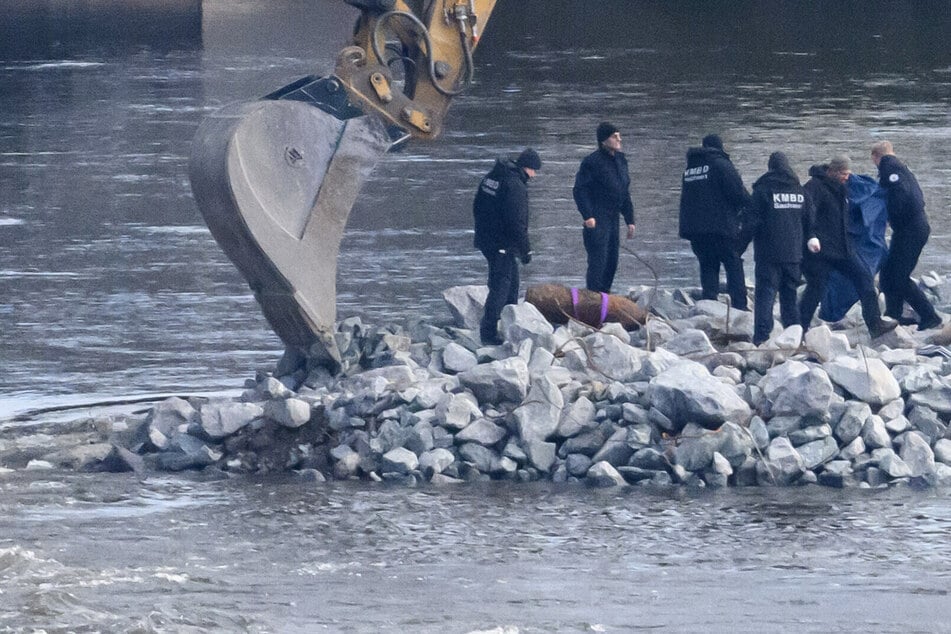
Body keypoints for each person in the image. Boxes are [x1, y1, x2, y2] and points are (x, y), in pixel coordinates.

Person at [799, 155, 897, 339]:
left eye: (848, 173)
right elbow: (805, 216)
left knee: (865, 280)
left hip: (843, 248)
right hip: (821, 250)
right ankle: (800, 328)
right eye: (844, 173)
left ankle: (875, 324)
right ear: (833, 171)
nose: (847, 177)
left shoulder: (841, 187)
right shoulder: (814, 187)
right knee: (815, 288)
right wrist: (811, 237)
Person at [741, 152, 816, 345]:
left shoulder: (763, 191)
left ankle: (761, 337)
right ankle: (795, 336)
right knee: (789, 296)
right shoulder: (800, 191)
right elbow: (810, 223)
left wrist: (738, 247)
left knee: (765, 296)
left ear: (770, 167)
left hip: (768, 254)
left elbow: (751, 224)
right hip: (793, 255)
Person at [472, 148, 541, 345]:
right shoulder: (515, 185)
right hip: (501, 243)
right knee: (501, 285)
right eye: (534, 171)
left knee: (511, 282)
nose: (534, 175)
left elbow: (477, 205)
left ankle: (510, 324)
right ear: (527, 168)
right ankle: (489, 331)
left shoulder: (494, 176)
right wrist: (526, 250)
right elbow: (516, 223)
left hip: (487, 239)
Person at [871, 140, 943, 330]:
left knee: (899, 277)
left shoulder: (890, 169)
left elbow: (901, 196)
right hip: (910, 229)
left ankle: (930, 316)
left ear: (875, 157)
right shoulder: (902, 168)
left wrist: (887, 216)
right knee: (887, 275)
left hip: (910, 230)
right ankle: (894, 315)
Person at [678, 134, 751, 310]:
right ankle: (739, 307)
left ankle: (709, 305)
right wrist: (750, 208)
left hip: (695, 229)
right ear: (720, 147)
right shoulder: (721, 165)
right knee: (733, 263)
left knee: (708, 264)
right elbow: (738, 194)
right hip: (720, 227)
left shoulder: (690, 169)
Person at [572, 122, 636, 293]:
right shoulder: (591, 162)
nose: (619, 139)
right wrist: (588, 215)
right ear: (603, 140)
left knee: (612, 262)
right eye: (614, 136)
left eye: (619, 135)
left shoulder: (621, 161)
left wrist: (630, 220)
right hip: (597, 218)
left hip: (614, 217)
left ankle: (605, 297)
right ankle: (592, 298)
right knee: (598, 261)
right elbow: (580, 190)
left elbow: (624, 192)